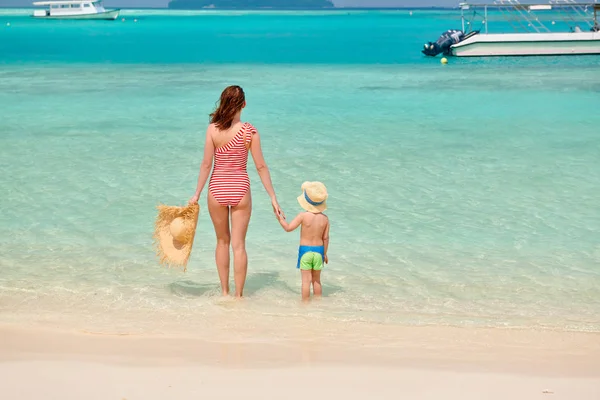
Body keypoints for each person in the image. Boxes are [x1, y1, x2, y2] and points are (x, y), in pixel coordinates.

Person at [189, 85, 283, 298]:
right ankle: (239, 296)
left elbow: (206, 165)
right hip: (240, 189)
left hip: (217, 189)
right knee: (239, 245)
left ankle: (224, 292)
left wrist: (196, 194)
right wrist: (273, 198)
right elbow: (261, 167)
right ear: (244, 104)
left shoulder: (212, 129)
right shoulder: (250, 132)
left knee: (222, 241)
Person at [277, 182, 329, 302]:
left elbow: (288, 228)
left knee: (306, 281)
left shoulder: (303, 216)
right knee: (317, 280)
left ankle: (305, 305)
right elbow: (326, 238)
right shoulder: (325, 219)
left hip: (305, 251)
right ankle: (318, 304)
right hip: (319, 251)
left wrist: (279, 218)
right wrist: (324, 254)